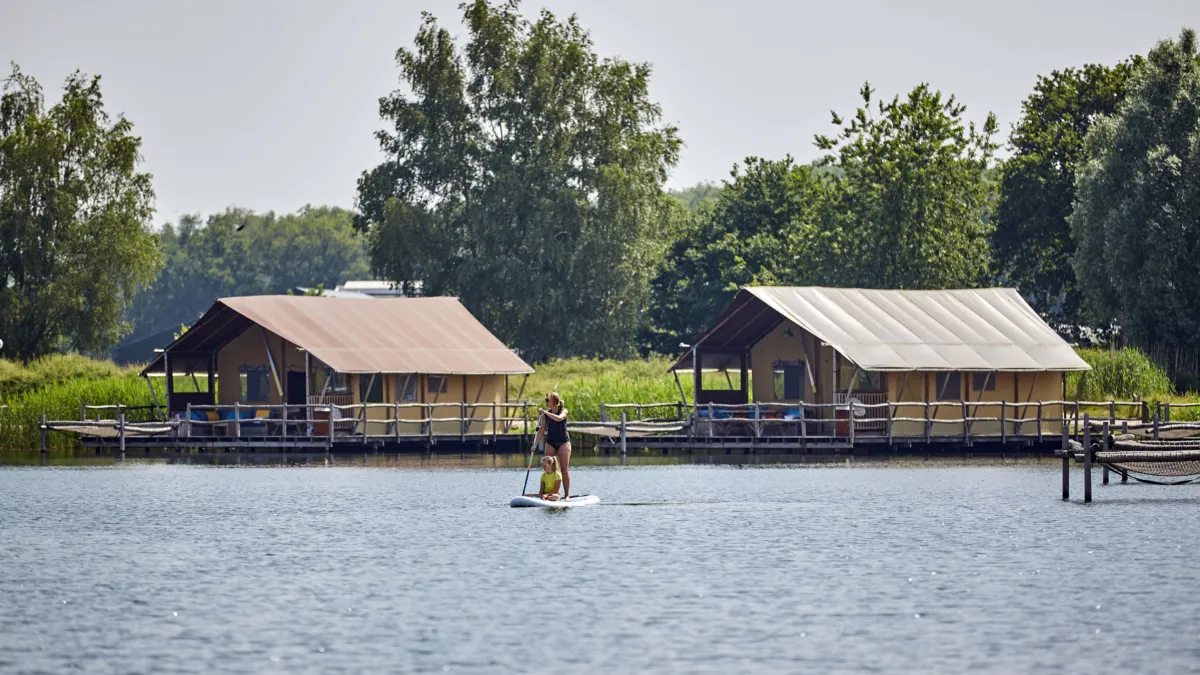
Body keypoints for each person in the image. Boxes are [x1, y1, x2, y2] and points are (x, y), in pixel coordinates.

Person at [538, 392, 571, 498]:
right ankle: (547, 493)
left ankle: (566, 495)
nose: (546, 402)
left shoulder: (563, 411)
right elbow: (541, 430)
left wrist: (545, 413)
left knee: (564, 469)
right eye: (546, 400)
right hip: (550, 442)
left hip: (563, 442)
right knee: (547, 467)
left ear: (554, 401)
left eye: (548, 400)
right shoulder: (545, 415)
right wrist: (534, 445)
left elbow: (559, 418)